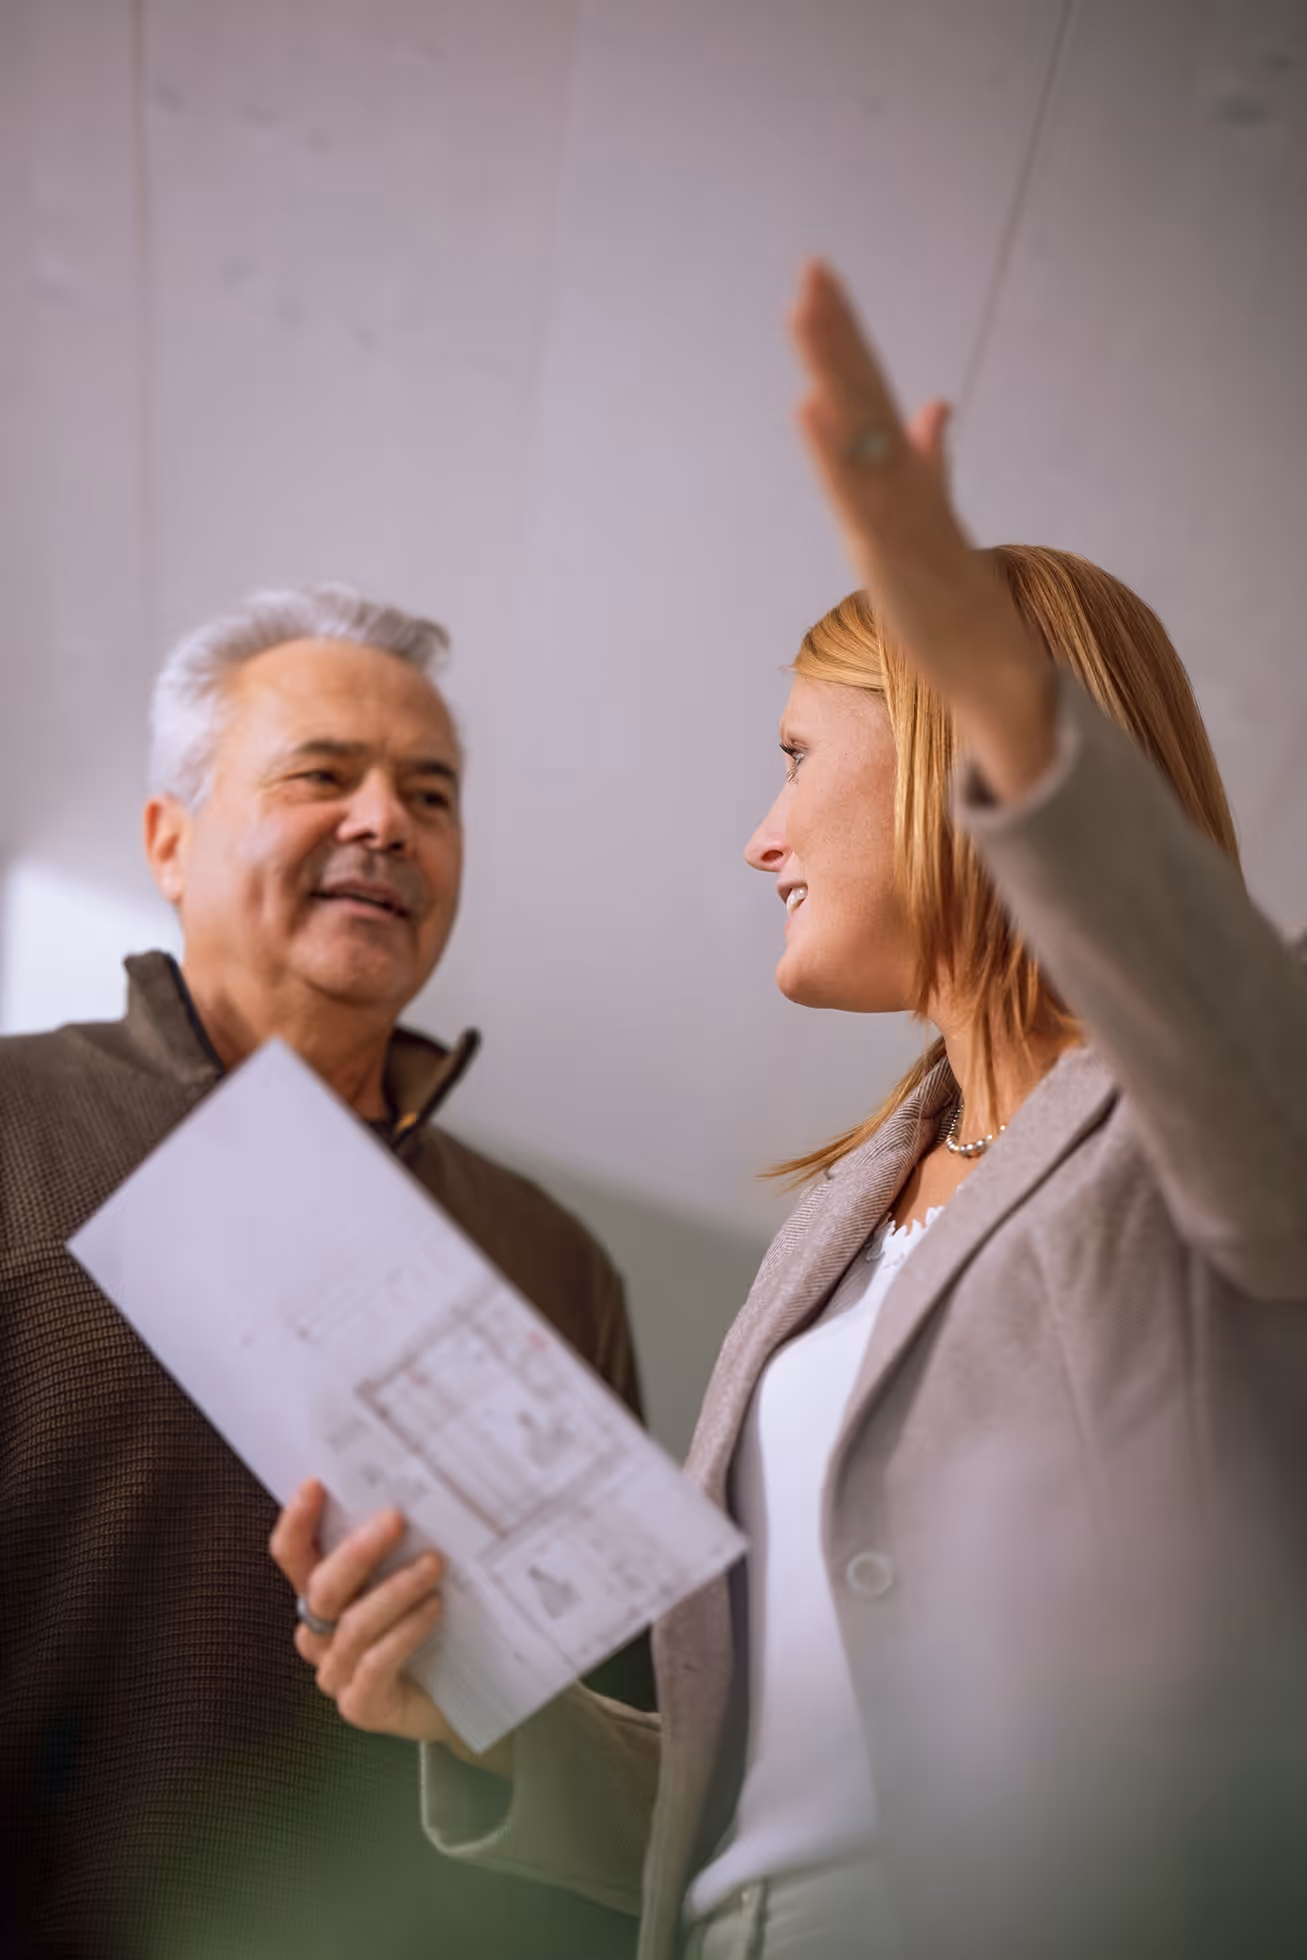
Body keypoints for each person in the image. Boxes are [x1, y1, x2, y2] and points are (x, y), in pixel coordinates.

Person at [272, 268, 1307, 1960]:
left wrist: (993, 682)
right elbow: (761, 1803)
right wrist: (489, 1710)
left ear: (942, 761)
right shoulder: (836, 1239)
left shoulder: (1218, 1110)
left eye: (792, 753)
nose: (760, 834)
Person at [0, 585, 654, 1960]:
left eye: (431, 794)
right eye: (321, 776)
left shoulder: (551, 1262)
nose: (385, 823)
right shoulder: (16, 1128)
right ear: (167, 841)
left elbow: (614, 1721)